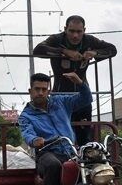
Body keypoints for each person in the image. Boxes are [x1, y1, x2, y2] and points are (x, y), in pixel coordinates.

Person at [18, 71, 92, 185]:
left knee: (95, 162)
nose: (40, 93)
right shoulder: (26, 115)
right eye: (37, 89)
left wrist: (80, 83)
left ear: (49, 91)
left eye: (44, 89)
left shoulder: (61, 102)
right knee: (53, 165)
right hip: (47, 152)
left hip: (71, 151)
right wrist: (35, 140)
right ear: (30, 91)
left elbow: (86, 99)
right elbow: (27, 133)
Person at [33, 15, 117, 146]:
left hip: (81, 96)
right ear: (65, 29)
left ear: (84, 30)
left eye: (79, 32)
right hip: (59, 96)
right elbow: (38, 50)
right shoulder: (57, 39)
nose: (75, 36)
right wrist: (64, 52)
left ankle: (86, 161)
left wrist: (94, 53)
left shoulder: (89, 41)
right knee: (60, 137)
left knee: (84, 137)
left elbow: (112, 49)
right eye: (72, 31)